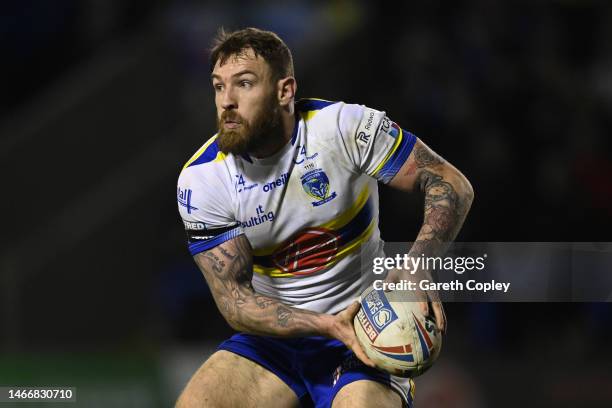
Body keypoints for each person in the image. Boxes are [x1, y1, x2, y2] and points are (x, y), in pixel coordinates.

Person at [176, 27, 473, 408]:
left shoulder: (344, 129)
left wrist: (417, 265)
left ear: (285, 91)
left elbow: (450, 181)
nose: (227, 101)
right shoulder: (203, 179)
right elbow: (234, 301)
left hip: (369, 328)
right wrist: (324, 325)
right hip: (275, 342)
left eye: (244, 84)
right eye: (218, 87)